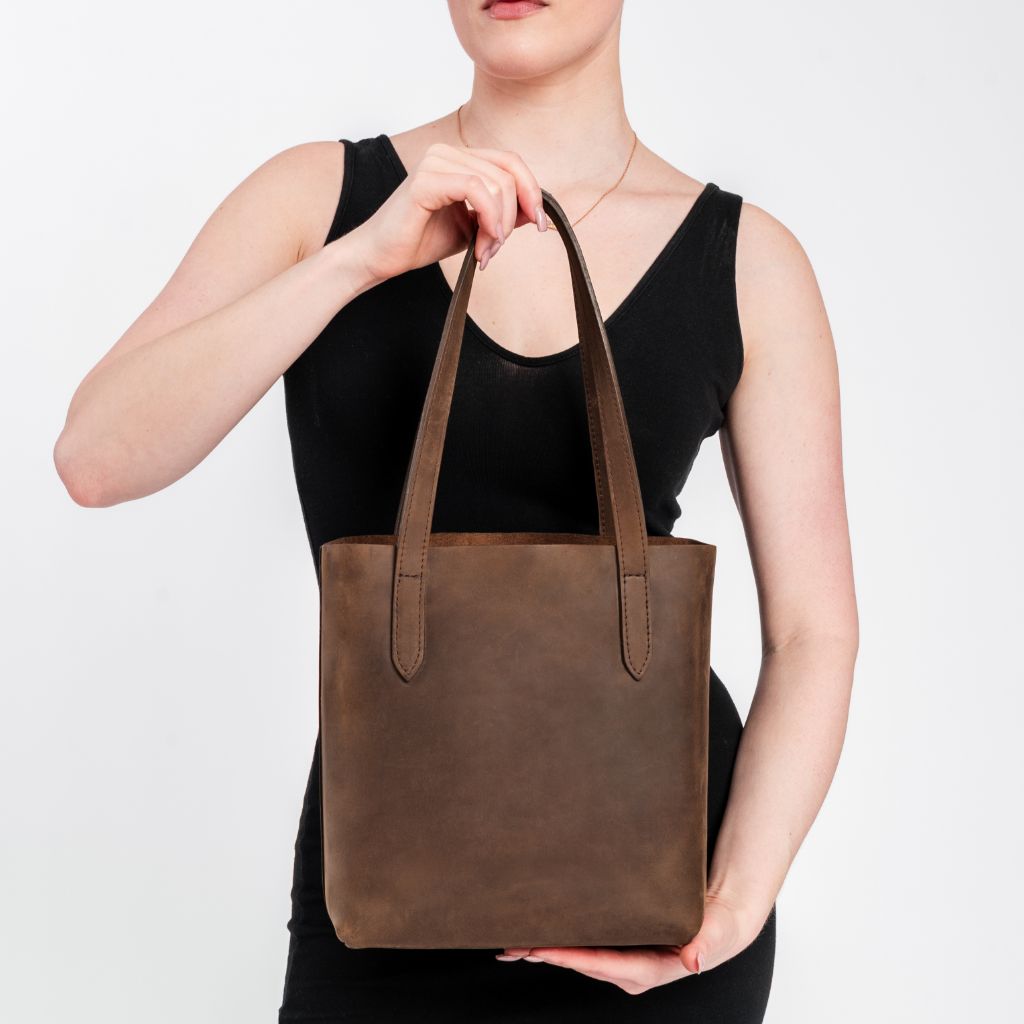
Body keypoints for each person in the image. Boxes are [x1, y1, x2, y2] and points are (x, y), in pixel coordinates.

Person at [53, 1, 859, 1020]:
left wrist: (727, 911)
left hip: (655, 890)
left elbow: (813, 633)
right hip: (386, 872)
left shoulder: (746, 260)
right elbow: (96, 457)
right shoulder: (321, 198)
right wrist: (361, 258)